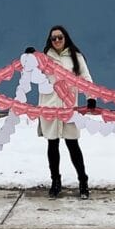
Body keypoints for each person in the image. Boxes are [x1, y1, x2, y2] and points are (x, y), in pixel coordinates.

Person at [35, 25, 95, 199]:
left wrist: (90, 97)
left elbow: (85, 77)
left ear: (65, 38)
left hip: (69, 108)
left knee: (73, 145)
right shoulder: (45, 58)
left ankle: (83, 182)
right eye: (54, 38)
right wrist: (30, 57)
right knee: (52, 146)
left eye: (60, 37)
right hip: (50, 107)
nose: (57, 41)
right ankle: (55, 182)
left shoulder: (76, 57)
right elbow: (32, 73)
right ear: (50, 41)